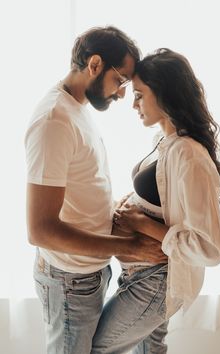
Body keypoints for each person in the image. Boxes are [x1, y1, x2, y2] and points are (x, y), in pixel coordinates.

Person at [24, 27, 167, 354]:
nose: (121, 95)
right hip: (68, 280)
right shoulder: (53, 121)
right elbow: (41, 230)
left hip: (86, 273)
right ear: (95, 64)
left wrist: (116, 210)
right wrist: (129, 246)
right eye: (121, 81)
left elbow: (79, 185)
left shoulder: (75, 109)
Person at [91, 48, 220, 354]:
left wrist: (138, 222)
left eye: (139, 95)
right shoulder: (165, 142)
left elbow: (210, 248)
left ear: (164, 94)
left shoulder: (188, 154)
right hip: (139, 274)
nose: (133, 104)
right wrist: (130, 204)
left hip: (155, 281)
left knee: (94, 348)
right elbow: (164, 202)